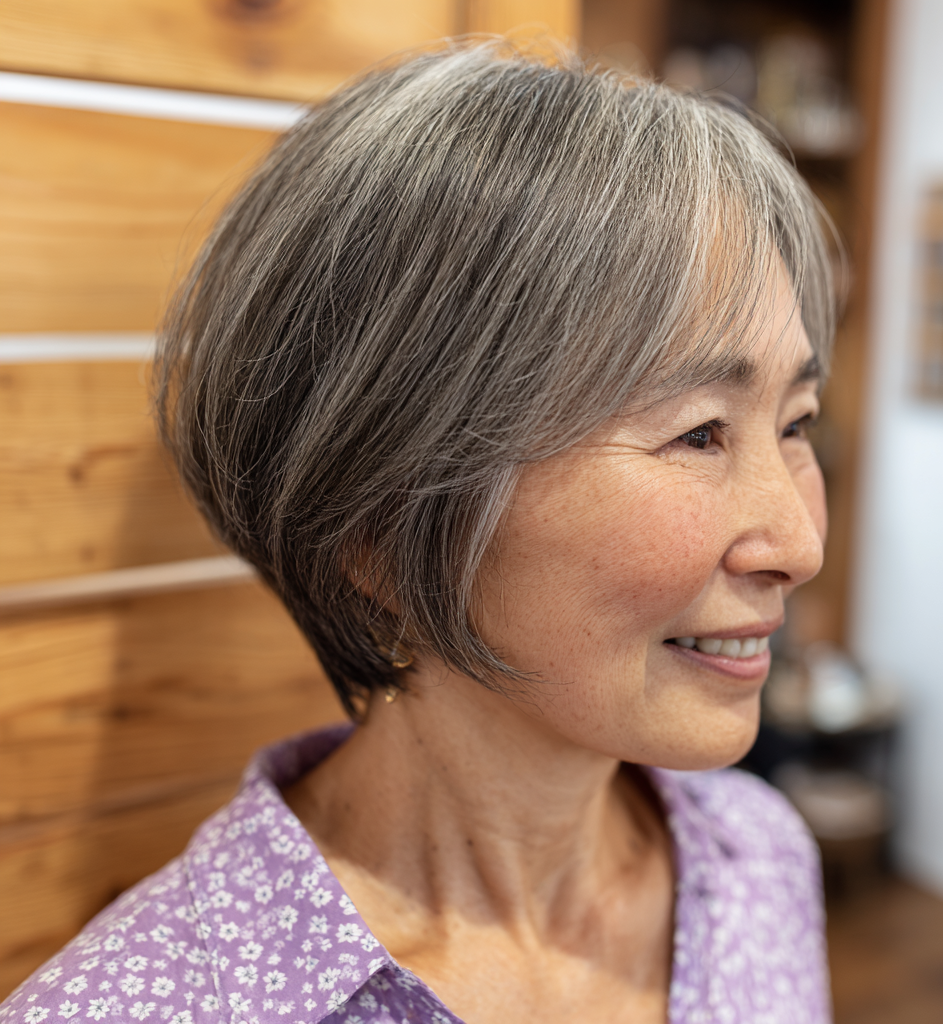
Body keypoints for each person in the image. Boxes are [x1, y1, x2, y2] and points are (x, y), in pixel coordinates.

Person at [1, 40, 836, 1024]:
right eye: (697, 433)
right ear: (382, 526)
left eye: (795, 424)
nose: (798, 541)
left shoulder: (757, 858)